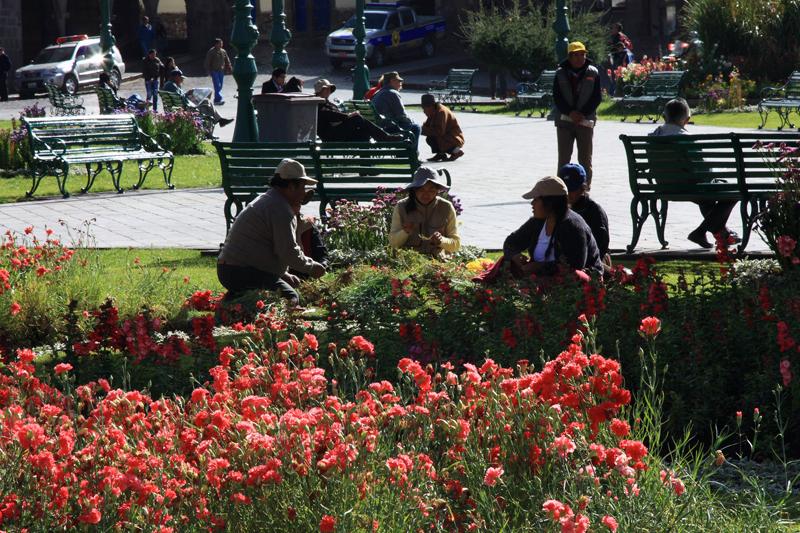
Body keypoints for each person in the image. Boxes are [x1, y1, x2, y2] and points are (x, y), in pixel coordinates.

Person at [217, 158, 327, 305]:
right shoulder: (281, 209)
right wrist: (312, 267)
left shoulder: (271, 200)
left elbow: (265, 250)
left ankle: (234, 302)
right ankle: (242, 308)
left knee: (283, 288)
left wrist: (283, 275)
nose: (304, 193)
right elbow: (288, 252)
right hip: (239, 271)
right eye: (302, 187)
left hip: (231, 269)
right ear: (291, 186)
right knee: (291, 298)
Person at [649, 98, 739, 248]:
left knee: (707, 199)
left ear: (664, 117)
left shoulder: (653, 137)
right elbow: (702, 171)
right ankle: (701, 231)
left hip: (664, 186)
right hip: (688, 187)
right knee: (733, 192)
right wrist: (714, 177)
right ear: (687, 119)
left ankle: (723, 234)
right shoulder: (686, 138)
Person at [503, 176, 603, 276]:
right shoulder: (537, 221)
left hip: (577, 283)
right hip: (541, 278)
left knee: (575, 275)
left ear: (550, 202)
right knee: (504, 263)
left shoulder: (573, 227)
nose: (532, 203)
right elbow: (510, 243)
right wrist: (515, 255)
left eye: (536, 199)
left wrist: (539, 267)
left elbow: (574, 266)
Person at [553, 42, 602, 189]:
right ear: (569, 57)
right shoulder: (560, 73)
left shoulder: (593, 72)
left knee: (585, 158)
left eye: (582, 54)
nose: (580, 57)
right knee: (563, 158)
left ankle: (585, 188)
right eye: (576, 55)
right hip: (565, 122)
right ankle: (561, 188)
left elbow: (596, 97)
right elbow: (557, 97)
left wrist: (582, 114)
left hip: (585, 121)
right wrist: (570, 112)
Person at [389, 167, 460, 258]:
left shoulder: (447, 207)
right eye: (421, 190)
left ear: (437, 191)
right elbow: (393, 243)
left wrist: (441, 240)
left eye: (431, 190)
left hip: (439, 261)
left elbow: (456, 245)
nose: (426, 194)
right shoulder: (401, 207)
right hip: (408, 260)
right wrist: (405, 232)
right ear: (414, 190)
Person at [314, 79, 403, 143]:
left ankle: (365, 164)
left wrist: (348, 116)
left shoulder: (326, 102)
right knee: (356, 118)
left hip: (336, 133)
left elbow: (334, 115)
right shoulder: (318, 103)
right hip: (330, 136)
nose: (328, 91)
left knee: (363, 132)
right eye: (325, 89)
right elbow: (331, 116)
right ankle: (384, 137)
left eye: (329, 89)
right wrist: (349, 115)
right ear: (320, 91)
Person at [559, 163, 610, 262]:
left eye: (572, 189)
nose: (568, 194)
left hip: (590, 260)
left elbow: (600, 247)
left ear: (582, 188)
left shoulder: (594, 211)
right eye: (565, 189)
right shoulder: (556, 209)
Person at [162, 68, 233, 127]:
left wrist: (187, 94)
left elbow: (179, 97)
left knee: (206, 102)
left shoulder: (170, 84)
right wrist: (187, 94)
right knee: (206, 104)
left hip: (179, 106)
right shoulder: (172, 85)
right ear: (176, 77)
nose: (182, 80)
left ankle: (219, 121)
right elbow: (181, 98)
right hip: (184, 108)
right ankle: (215, 124)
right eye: (181, 78)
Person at [371, 71, 421, 145]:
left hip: (379, 126)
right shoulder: (392, 93)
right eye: (399, 81)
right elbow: (401, 115)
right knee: (416, 127)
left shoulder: (377, 93)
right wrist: (411, 121)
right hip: (389, 127)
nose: (401, 83)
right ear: (392, 81)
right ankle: (413, 152)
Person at [420, 93, 464, 162]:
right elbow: (426, 125)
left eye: (424, 108)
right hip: (447, 135)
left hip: (454, 138)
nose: (424, 111)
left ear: (430, 106)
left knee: (437, 138)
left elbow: (439, 131)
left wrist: (422, 130)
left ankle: (456, 152)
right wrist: (420, 128)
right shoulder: (433, 111)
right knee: (430, 138)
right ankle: (441, 154)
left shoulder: (441, 112)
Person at [204, 38, 232, 105]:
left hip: (221, 71)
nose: (221, 45)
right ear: (216, 44)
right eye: (220, 43)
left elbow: (227, 59)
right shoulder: (211, 51)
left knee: (220, 85)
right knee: (217, 85)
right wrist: (208, 71)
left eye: (221, 43)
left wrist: (229, 66)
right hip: (214, 71)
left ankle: (217, 99)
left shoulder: (223, 51)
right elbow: (207, 62)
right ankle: (218, 99)